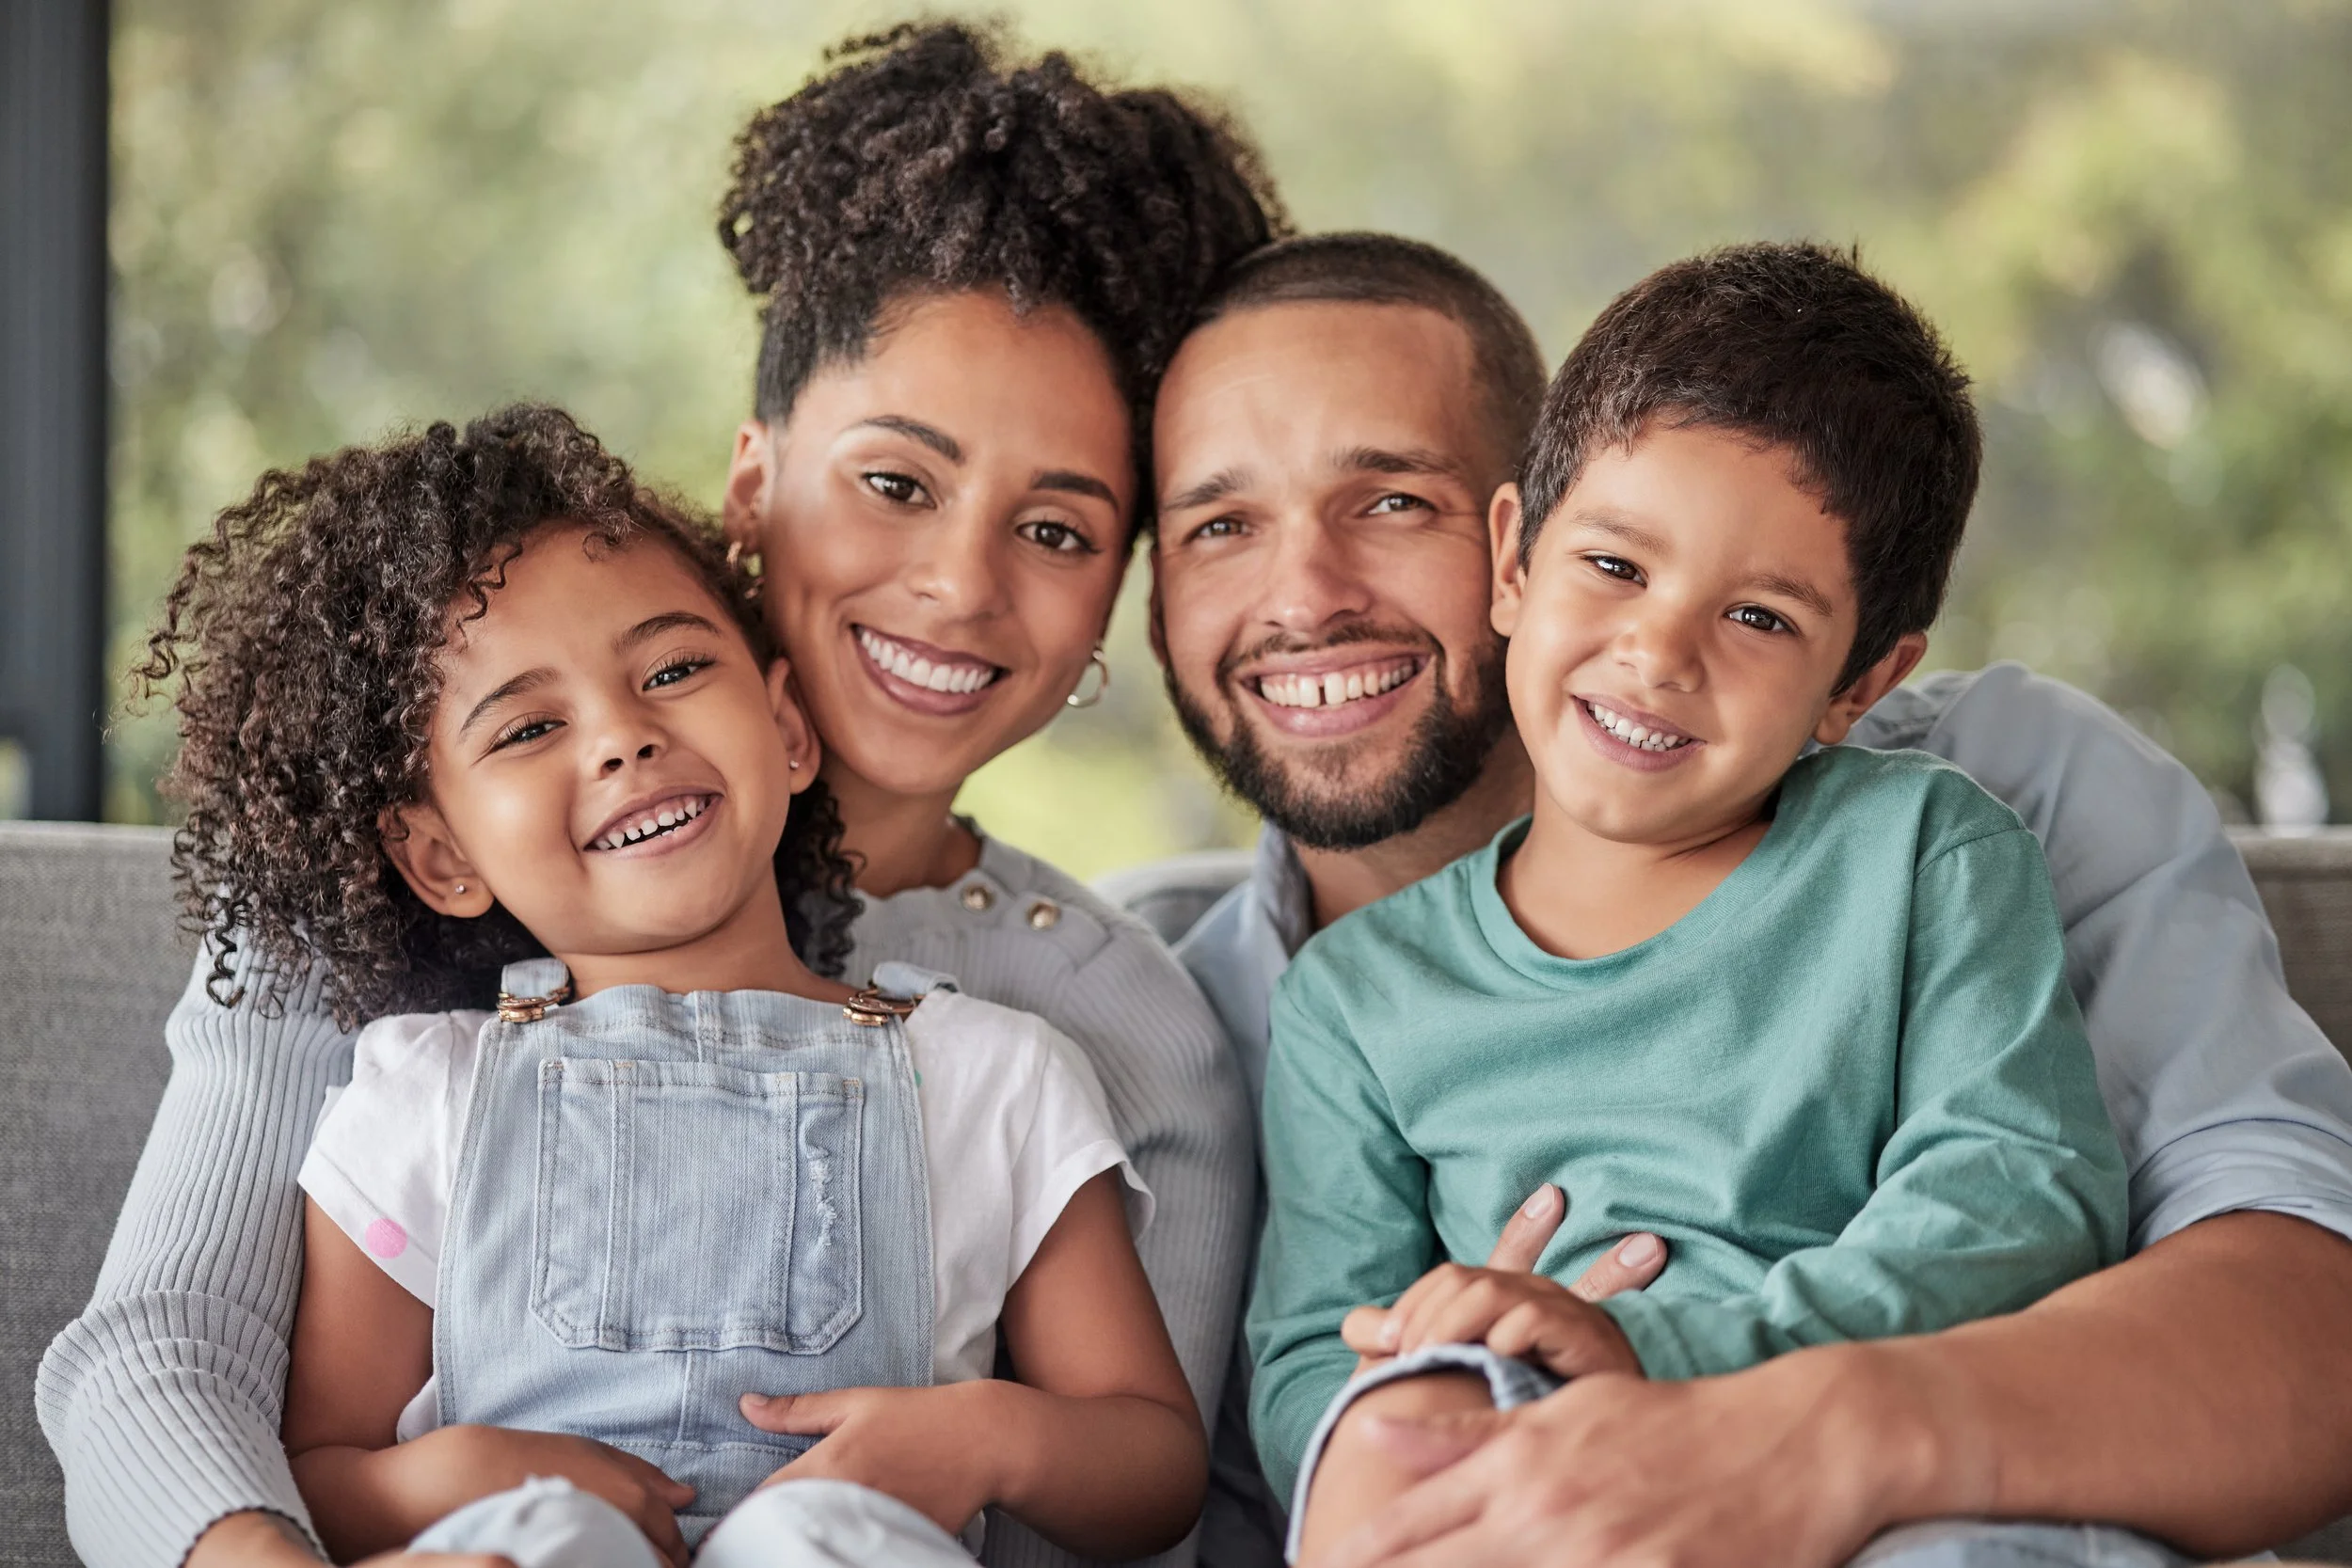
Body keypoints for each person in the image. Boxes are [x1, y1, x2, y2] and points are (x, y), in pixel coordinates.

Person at [37, 24, 1279, 1568]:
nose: (960, 585)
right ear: (754, 478)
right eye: (897, 481)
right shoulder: (361, 929)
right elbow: (162, 1363)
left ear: (1119, 591)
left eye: (1062, 529)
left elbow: (1121, 1505)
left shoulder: (1103, 1041)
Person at [1137, 230, 2352, 1567]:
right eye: (1220, 522)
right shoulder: (1263, 1015)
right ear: (1520, 557)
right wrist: (1449, 1378)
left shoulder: (1960, 827)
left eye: (1389, 500)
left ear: (1862, 679)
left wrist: (1691, 1360)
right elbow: (1320, 1364)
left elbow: (2032, 1191)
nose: (1658, 651)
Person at [137, 405, 1203, 1566]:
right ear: (440, 856)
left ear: (787, 726)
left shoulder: (995, 1076)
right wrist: (442, 1477)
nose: (622, 738)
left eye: (677, 667)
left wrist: (994, 1438)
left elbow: (1153, 1466)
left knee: (826, 1534)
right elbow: (315, 1469)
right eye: (529, 726)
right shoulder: (420, 1098)